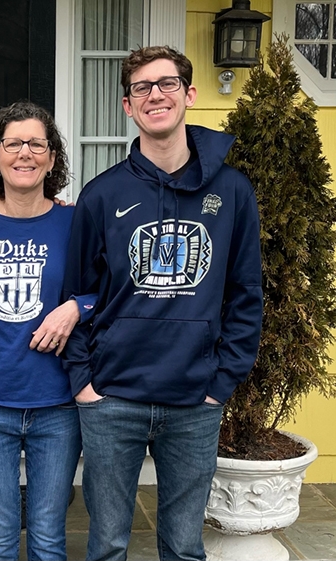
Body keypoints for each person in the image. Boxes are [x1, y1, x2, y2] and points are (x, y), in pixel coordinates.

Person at [62, 46, 263, 561]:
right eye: (141, 88)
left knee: (183, 545)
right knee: (106, 544)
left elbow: (245, 295)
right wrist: (84, 384)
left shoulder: (234, 191)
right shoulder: (101, 195)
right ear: (127, 106)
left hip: (195, 401)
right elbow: (78, 294)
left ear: (189, 94)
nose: (155, 95)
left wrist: (222, 383)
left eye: (167, 83)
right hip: (112, 398)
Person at [0, 101, 94, 561]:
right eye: (13, 143)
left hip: (57, 405)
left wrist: (75, 306)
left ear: (52, 158)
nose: (25, 153)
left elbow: (108, 289)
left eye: (37, 144)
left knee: (49, 538)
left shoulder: (74, 222)